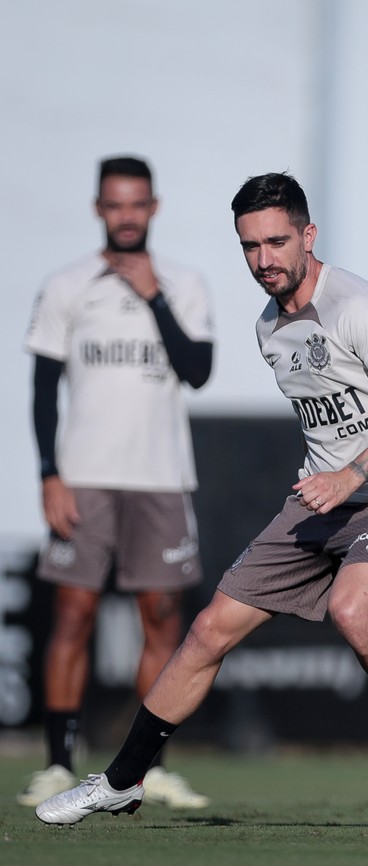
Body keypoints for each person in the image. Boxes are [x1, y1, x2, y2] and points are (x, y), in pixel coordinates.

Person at [36, 171, 368, 825]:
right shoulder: (269, 328)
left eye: (277, 242)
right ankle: (122, 780)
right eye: (250, 247)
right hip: (320, 501)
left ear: (308, 236)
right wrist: (332, 482)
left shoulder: (360, 306)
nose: (264, 260)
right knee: (207, 630)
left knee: (352, 611)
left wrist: (350, 477)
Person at [21, 156, 214, 810]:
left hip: (160, 479)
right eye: (115, 205)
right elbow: (44, 391)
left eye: (137, 205)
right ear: (99, 208)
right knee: (72, 615)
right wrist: (50, 475)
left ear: (153, 208)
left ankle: (145, 767)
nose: (126, 216)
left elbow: (197, 370)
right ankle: (56, 762)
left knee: (162, 619)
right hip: (86, 476)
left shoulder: (183, 284)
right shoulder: (67, 285)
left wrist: (152, 293)